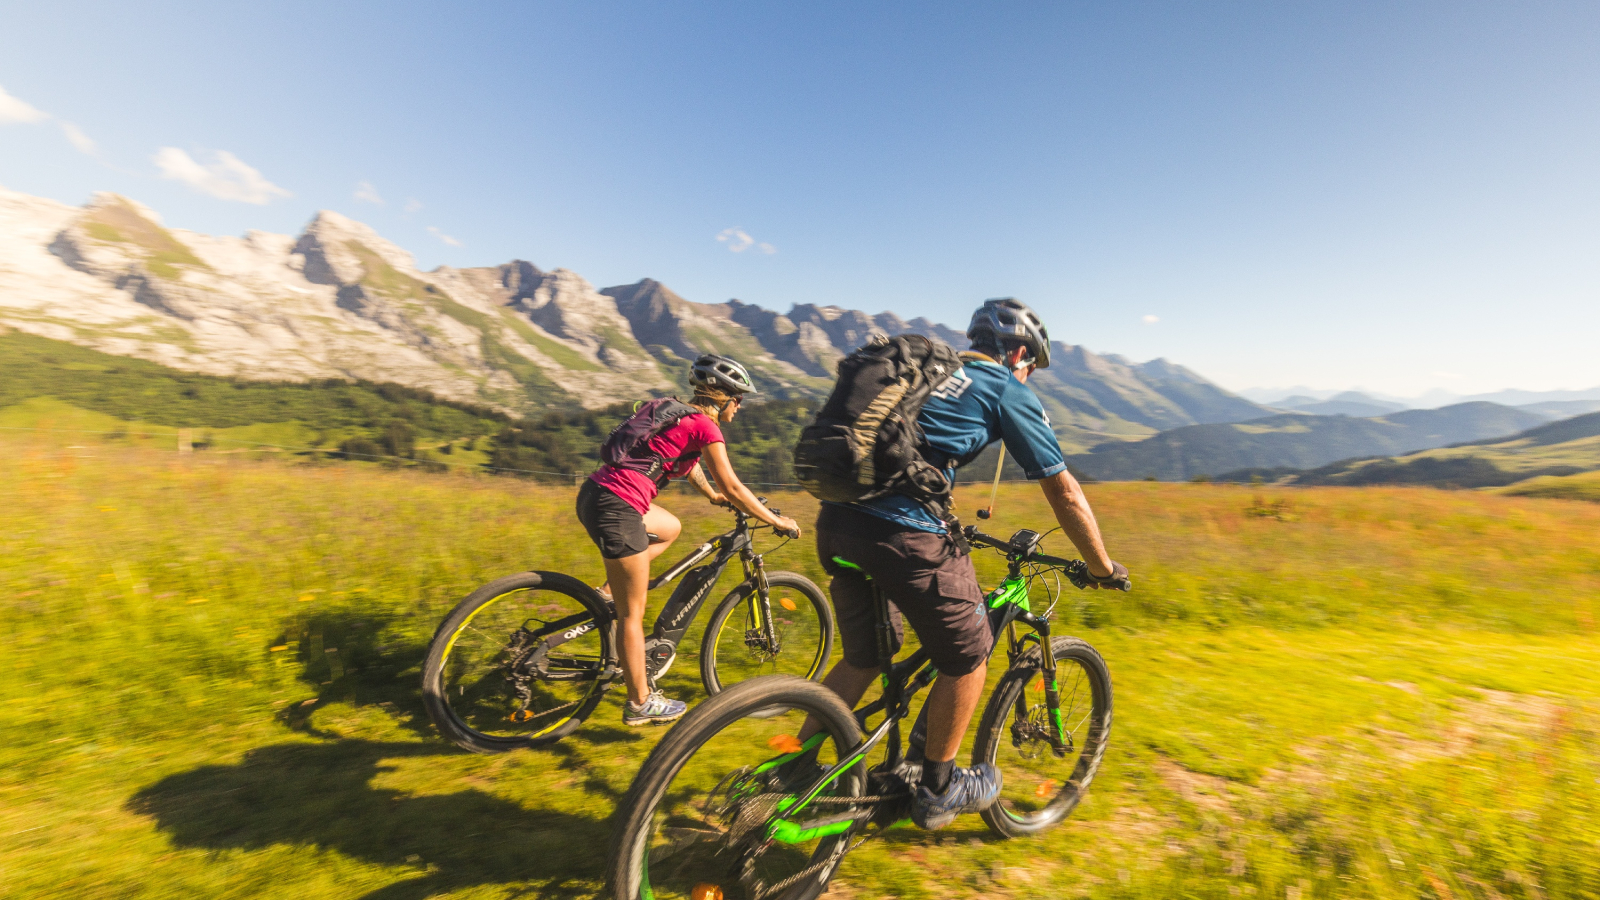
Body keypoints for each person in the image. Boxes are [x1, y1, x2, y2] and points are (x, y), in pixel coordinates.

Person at [800, 297, 1130, 829]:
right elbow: (1064, 490)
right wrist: (1101, 567)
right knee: (969, 654)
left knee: (866, 655)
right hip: (904, 533)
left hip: (837, 523)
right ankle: (938, 787)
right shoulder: (1004, 387)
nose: (1031, 377)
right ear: (1020, 352)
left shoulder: (928, 373)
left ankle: (795, 767)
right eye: (1033, 366)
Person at [576, 354, 802, 726]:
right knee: (632, 614)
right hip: (619, 508)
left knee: (669, 527)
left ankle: (604, 594)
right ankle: (639, 703)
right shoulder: (706, 426)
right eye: (739, 398)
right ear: (724, 397)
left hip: (595, 493)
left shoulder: (675, 412)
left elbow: (687, 460)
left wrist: (710, 495)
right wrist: (776, 519)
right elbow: (733, 484)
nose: (740, 406)